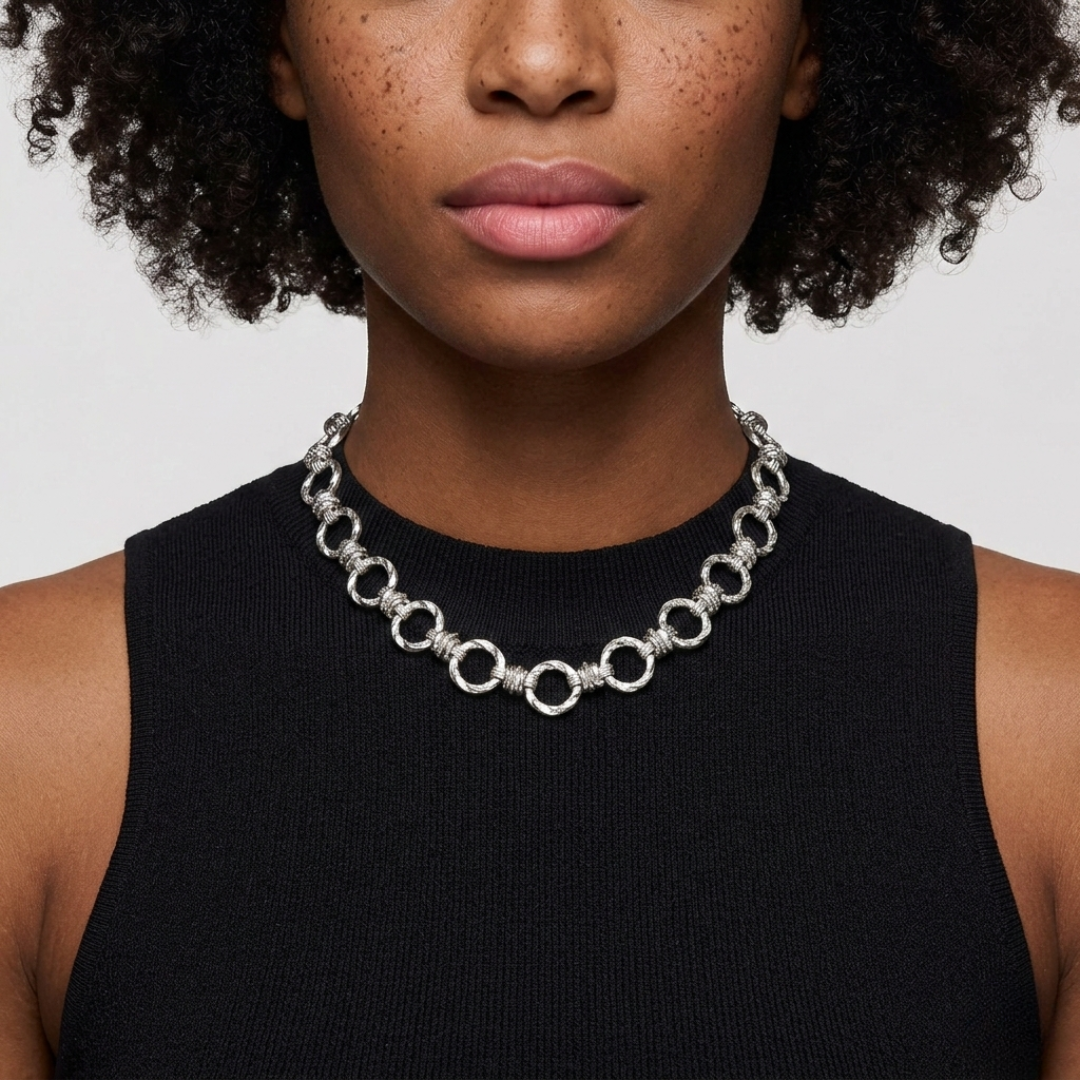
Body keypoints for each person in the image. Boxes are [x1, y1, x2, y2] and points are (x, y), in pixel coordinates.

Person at [1, 0, 1078, 1075]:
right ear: (277, 41)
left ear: (809, 42)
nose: (543, 62)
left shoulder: (1054, 742)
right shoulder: (32, 749)